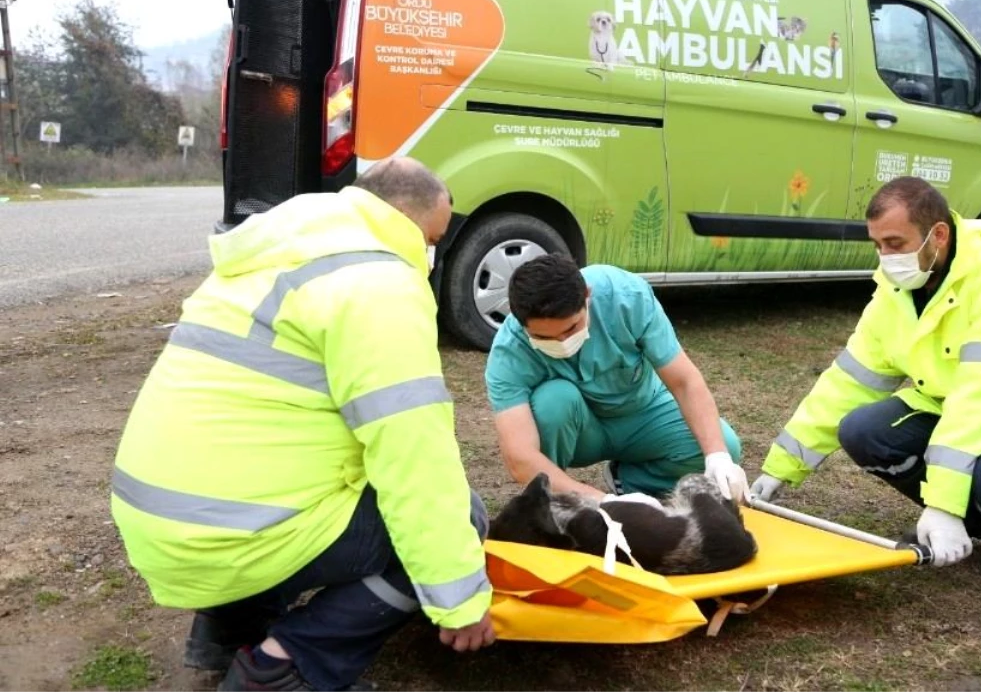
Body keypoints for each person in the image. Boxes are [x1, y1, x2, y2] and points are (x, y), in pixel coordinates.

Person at [109, 157, 495, 692]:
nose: (430, 256)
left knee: (300, 478)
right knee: (462, 518)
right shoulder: (378, 283)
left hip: (161, 520)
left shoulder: (275, 254)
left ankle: (228, 633)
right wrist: (460, 602)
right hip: (233, 534)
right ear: (408, 223)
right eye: (433, 239)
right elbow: (415, 461)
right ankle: (284, 667)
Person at [749, 176, 981, 580]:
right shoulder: (898, 290)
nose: (885, 258)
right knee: (863, 429)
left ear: (937, 234)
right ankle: (973, 521)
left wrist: (942, 504)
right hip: (953, 407)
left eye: (895, 243)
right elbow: (849, 381)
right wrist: (779, 469)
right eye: (877, 245)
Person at [484, 253, 748, 506]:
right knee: (553, 400)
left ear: (587, 296)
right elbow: (519, 456)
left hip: (643, 414)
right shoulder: (509, 351)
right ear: (519, 322)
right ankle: (556, 502)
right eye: (545, 338)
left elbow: (684, 382)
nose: (562, 343)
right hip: (580, 432)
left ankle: (631, 481)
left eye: (571, 328)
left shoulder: (626, 297)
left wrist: (717, 456)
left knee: (725, 444)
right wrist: (602, 501)